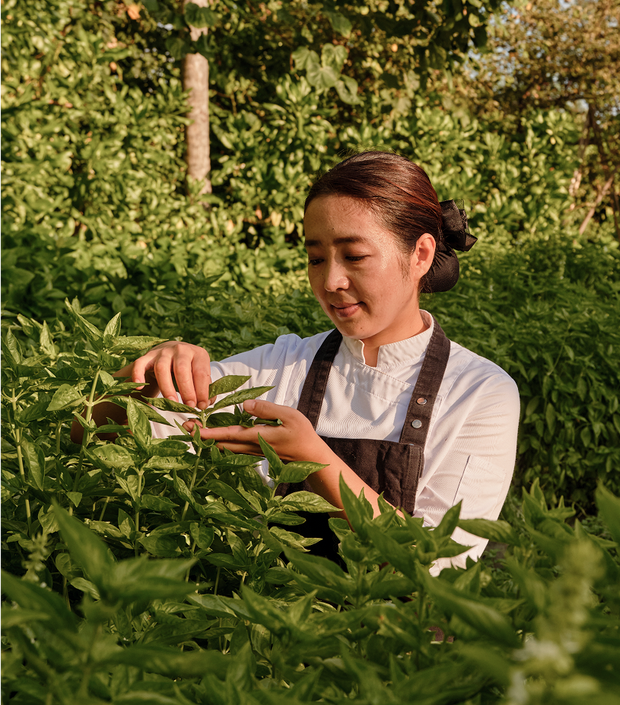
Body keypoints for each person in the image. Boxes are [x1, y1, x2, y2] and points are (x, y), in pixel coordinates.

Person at [127, 151, 519, 572]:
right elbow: (101, 430)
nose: (331, 281)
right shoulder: (284, 366)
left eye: (354, 256)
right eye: (316, 259)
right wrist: (147, 375)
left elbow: (441, 564)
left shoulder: (479, 392)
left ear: (420, 255)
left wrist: (311, 460)